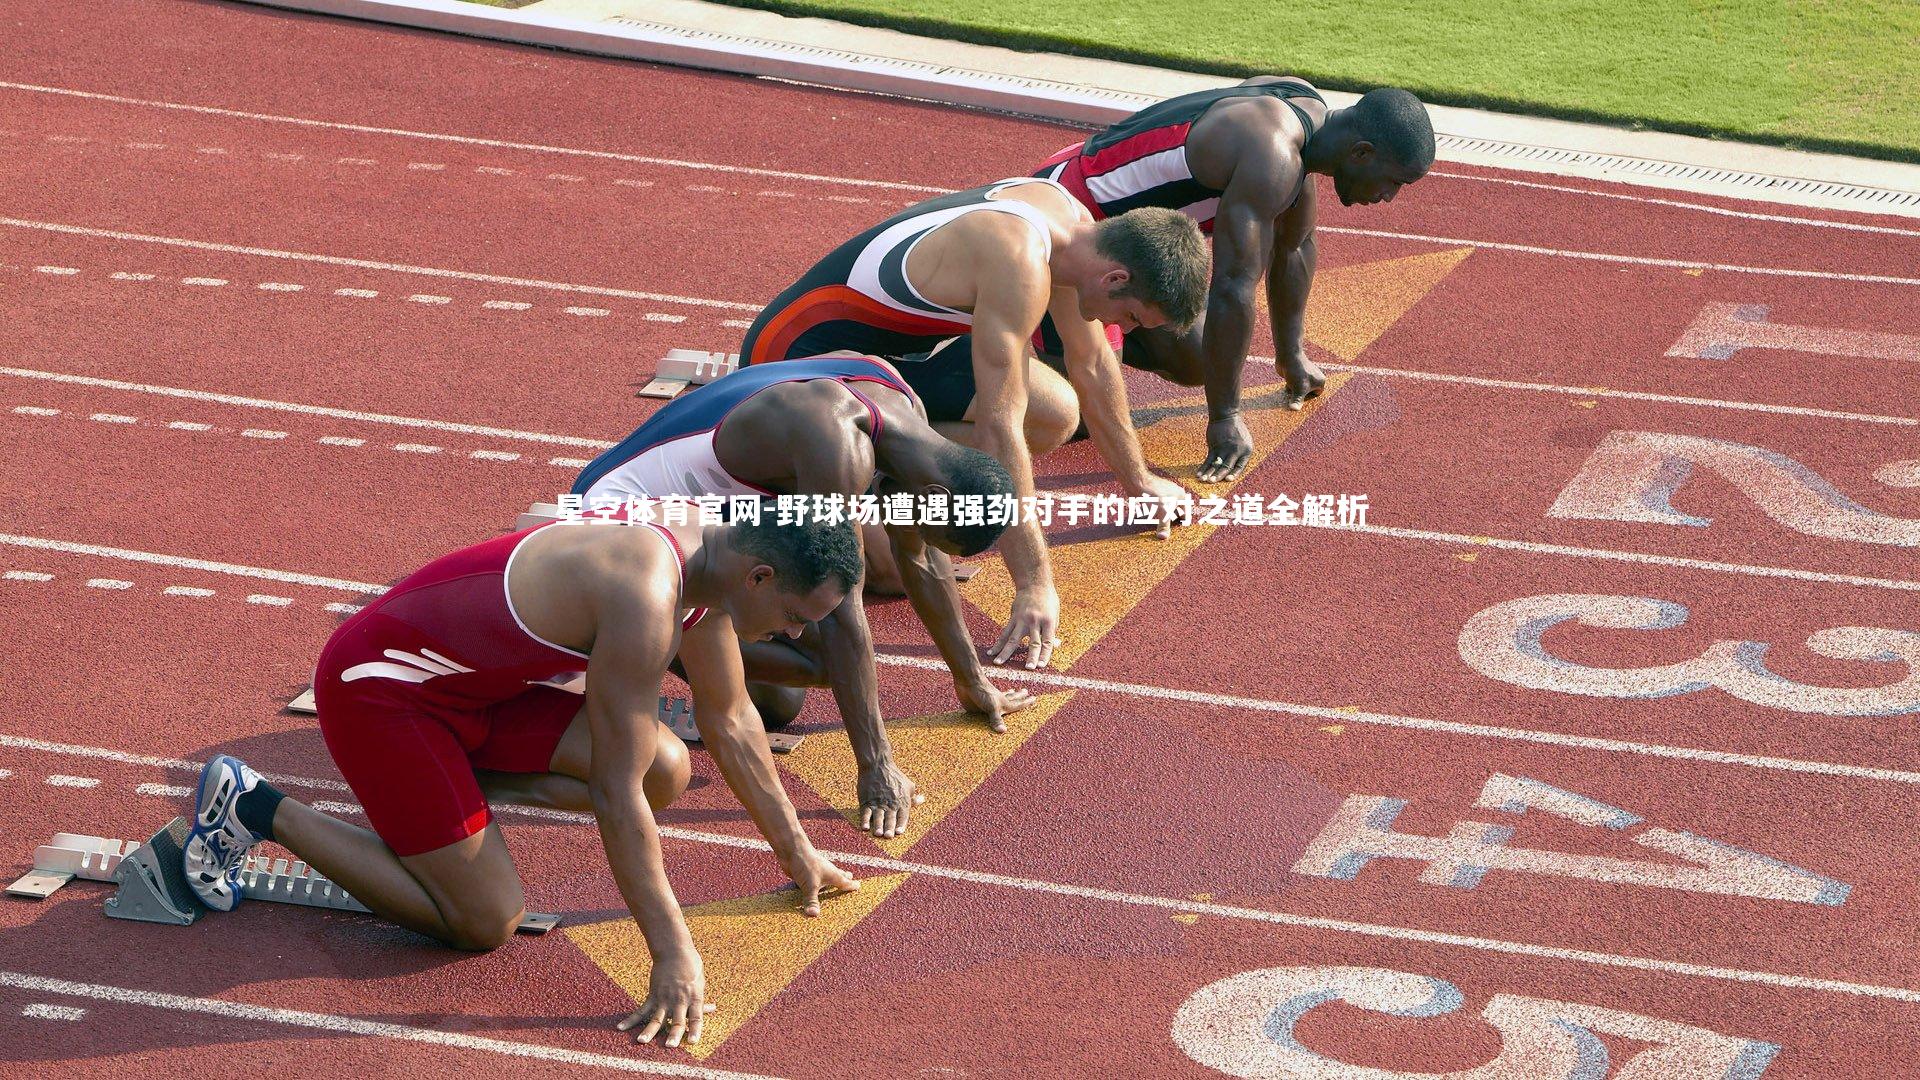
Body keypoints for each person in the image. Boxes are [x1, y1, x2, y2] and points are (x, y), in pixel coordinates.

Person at [182, 512, 864, 1049]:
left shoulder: (713, 565)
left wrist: (796, 850)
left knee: (668, 768)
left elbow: (733, 718)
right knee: (485, 921)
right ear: (760, 577)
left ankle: (441, 801)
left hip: (475, 696)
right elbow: (613, 794)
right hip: (383, 691)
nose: (799, 635)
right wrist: (672, 954)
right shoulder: (647, 595)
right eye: (800, 618)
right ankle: (254, 806)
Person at [740, 176, 1210, 669]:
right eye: (1132, 318)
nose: (1126, 331)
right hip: (792, 360)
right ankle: (860, 468)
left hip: (887, 354)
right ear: (1115, 279)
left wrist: (1140, 483)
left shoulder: (1077, 233)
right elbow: (998, 427)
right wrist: (1034, 583)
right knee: (889, 569)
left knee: (1055, 413)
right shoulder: (1019, 260)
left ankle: (881, 466)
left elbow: (1092, 364)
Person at [571, 352, 1036, 838]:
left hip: (700, 517)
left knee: (785, 698)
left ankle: (682, 645)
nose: (915, 529)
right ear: (937, 497)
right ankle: (648, 641)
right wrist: (876, 766)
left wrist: (972, 681)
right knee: (820, 661)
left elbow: (919, 559)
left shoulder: (907, 420)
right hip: (616, 514)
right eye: (926, 523)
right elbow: (841, 609)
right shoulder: (835, 446)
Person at [1034, 82, 1435, 481]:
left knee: (1197, 354)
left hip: (1112, 233)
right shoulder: (1272, 155)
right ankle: (1016, 338)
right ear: (1361, 152)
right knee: (1076, 415)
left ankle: (1087, 337)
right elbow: (1232, 286)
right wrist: (1225, 417)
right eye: (1394, 182)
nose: (1388, 197)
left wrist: (1291, 355)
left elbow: (1294, 245)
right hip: (1070, 221)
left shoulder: (1304, 114)